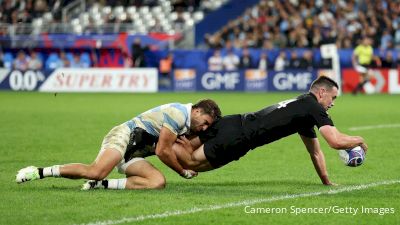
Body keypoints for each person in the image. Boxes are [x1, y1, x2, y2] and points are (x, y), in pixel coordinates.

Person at [173, 76, 368, 185]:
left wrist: (326, 181)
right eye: (333, 98)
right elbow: (334, 141)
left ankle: (158, 146)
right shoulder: (313, 108)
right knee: (191, 163)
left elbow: (315, 152)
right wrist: (358, 140)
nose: (332, 103)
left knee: (186, 146)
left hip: (236, 123)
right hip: (239, 137)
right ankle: (158, 149)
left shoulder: (304, 106)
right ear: (321, 92)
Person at [16, 99, 222, 190]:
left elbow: (176, 147)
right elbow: (162, 151)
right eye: (205, 123)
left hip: (135, 153)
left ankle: (102, 186)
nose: (204, 128)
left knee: (157, 182)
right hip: (124, 136)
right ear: (196, 111)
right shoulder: (178, 114)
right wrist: (182, 171)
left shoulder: (187, 122)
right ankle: (39, 172)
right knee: (96, 170)